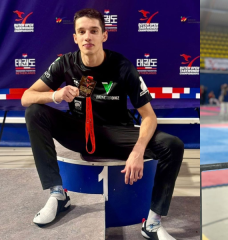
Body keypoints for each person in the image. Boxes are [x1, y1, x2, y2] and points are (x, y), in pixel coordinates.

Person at [21, 8, 183, 240]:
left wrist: (137, 151)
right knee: (35, 111)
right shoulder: (64, 63)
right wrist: (55, 95)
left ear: (104, 36)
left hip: (117, 133)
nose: (88, 36)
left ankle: (153, 224)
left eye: (94, 31)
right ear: (75, 38)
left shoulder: (122, 66)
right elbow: (26, 97)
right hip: (79, 133)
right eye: (82, 31)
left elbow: (149, 117)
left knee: (173, 144)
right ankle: (58, 195)